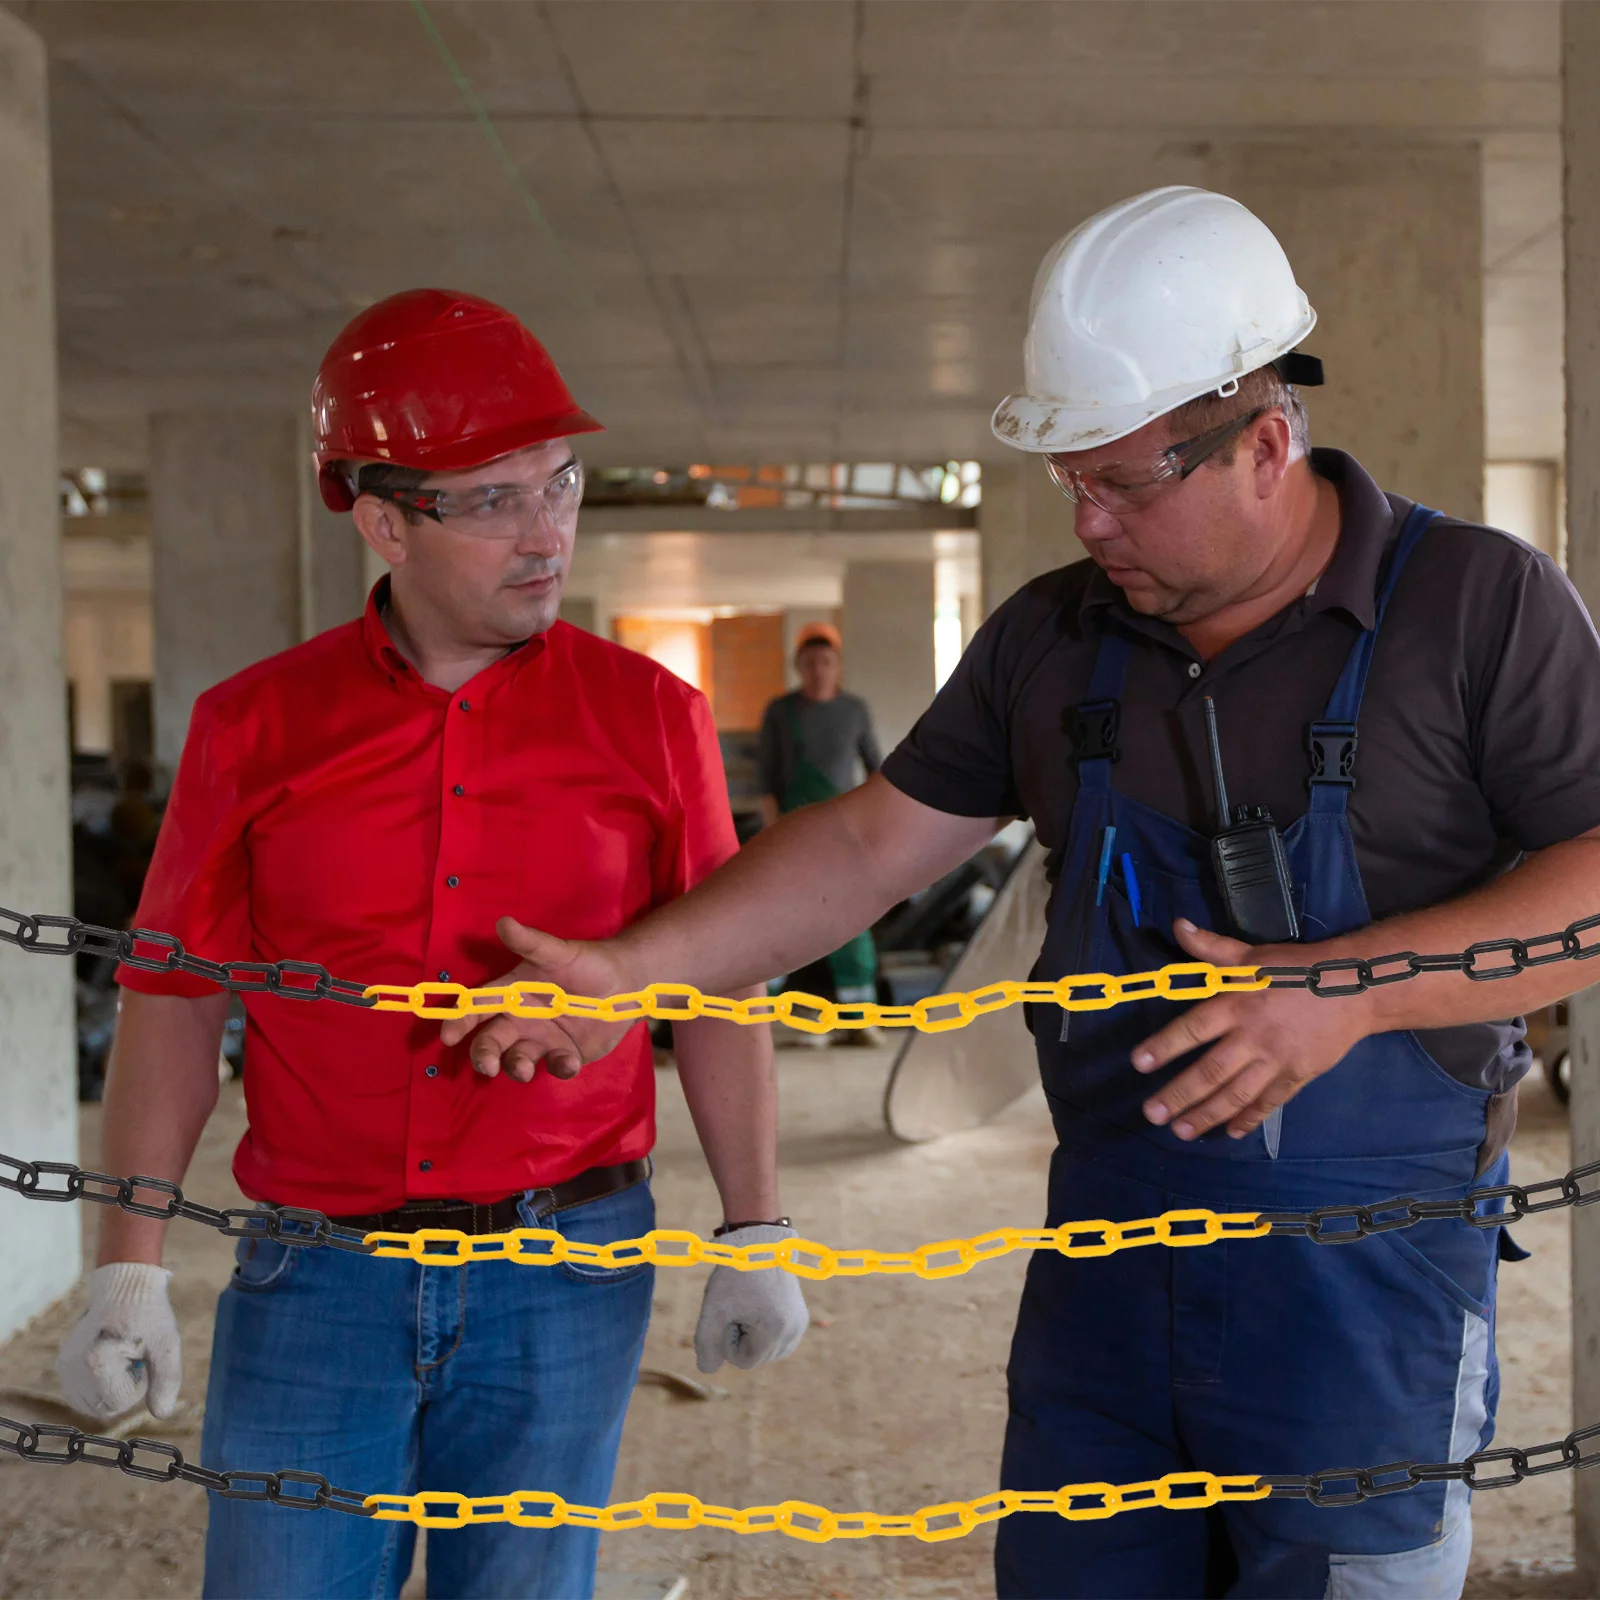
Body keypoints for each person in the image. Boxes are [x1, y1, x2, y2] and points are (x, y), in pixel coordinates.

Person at [435, 189, 1600, 1599]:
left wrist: (1346, 995)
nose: (1088, 520)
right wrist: (637, 974)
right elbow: (872, 845)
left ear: (1267, 443)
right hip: (1110, 1265)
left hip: (1361, 1286)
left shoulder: (1478, 606)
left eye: (1119, 484)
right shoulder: (1057, 636)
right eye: (1071, 484)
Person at [54, 289, 807, 1600]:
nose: (548, 534)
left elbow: (718, 981)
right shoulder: (255, 730)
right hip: (315, 1281)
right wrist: (123, 1269)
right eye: (497, 500)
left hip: (565, 1273)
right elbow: (174, 1001)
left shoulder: (651, 719)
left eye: (560, 485)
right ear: (384, 516)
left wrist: (756, 1225)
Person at [755, 623, 883, 1041]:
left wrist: (875, 824)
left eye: (826, 662)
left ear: (837, 666)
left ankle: (858, 1019)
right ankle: (764, 1018)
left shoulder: (855, 710)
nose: (818, 670)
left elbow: (877, 770)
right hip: (792, 829)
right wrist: (772, 833)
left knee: (851, 918)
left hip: (843, 830)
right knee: (780, 918)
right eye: (810, 663)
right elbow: (766, 777)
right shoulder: (781, 711)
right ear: (799, 666)